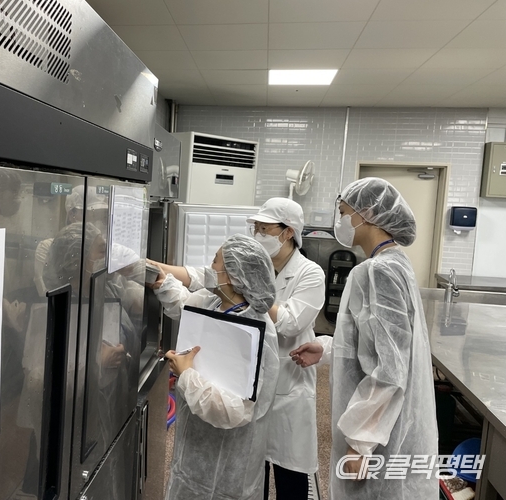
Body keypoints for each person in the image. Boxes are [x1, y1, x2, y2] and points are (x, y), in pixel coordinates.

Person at [290, 177, 438, 499]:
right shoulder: (395, 263)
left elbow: (390, 368)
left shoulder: (377, 271)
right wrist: (326, 348)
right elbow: (376, 343)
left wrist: (359, 442)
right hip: (387, 423)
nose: (341, 220)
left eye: (344, 212)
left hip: (378, 433)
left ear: (367, 213)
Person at [152, 234, 281, 500]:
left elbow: (233, 412)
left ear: (233, 276)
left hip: (228, 466)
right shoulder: (215, 303)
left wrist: (186, 374)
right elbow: (186, 305)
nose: (210, 268)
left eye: (215, 261)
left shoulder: (253, 331)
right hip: (194, 446)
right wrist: (163, 283)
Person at [246, 198, 325, 500]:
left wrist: (254, 293)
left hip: (290, 384)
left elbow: (290, 323)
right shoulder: (258, 267)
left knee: (290, 475)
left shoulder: (310, 273)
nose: (258, 235)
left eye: (264, 229)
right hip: (255, 379)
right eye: (256, 228)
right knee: (253, 470)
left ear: (288, 232)